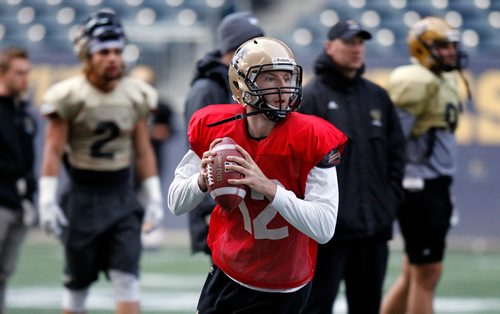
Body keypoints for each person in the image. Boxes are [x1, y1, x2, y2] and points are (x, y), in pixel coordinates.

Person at [168, 37, 347, 313]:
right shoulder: (216, 127)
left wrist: (269, 188)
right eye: (269, 78)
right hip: (227, 276)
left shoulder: (312, 137)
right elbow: (176, 203)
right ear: (241, 84)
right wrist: (201, 181)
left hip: (284, 287)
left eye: (287, 76)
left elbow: (324, 228)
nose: (282, 87)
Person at [37, 10, 164, 314]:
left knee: (127, 279)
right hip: (81, 196)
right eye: (104, 51)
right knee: (76, 286)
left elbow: (143, 150)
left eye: (117, 51)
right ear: (87, 54)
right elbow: (53, 150)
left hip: (120, 196)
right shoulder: (69, 95)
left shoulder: (136, 94)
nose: (112, 58)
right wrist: (46, 200)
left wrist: (154, 197)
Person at [299, 19, 406, 314]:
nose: (356, 49)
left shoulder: (377, 96)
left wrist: (388, 202)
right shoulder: (310, 98)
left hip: (372, 230)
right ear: (329, 46)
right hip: (327, 233)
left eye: (360, 42)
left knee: (368, 306)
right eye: (349, 42)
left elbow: (397, 155)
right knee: (316, 306)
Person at [381, 17, 467, 314]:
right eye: (442, 46)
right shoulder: (415, 80)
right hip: (419, 185)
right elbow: (394, 139)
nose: (450, 52)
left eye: (451, 45)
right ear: (422, 49)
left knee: (415, 272)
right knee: (427, 274)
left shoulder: (442, 78)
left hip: (434, 182)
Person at [184, 11, 264, 257]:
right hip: (221, 198)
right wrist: (209, 207)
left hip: (248, 200)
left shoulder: (250, 84)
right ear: (233, 47)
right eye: (250, 42)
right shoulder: (206, 88)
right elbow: (198, 152)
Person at [0, 46, 36, 314]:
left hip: (16, 203)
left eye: (27, 73)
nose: (25, 78)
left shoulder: (22, 112)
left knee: (3, 274)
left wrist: (28, 196)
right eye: (19, 73)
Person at [129, 64, 173, 250]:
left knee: (151, 195)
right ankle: (130, 232)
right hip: (128, 159)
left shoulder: (161, 107)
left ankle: (151, 234)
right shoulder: (127, 106)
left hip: (152, 158)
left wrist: (147, 132)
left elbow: (167, 131)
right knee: (129, 196)